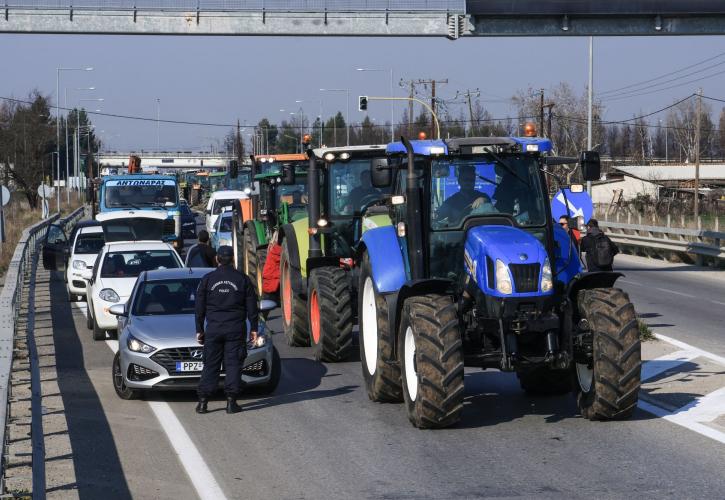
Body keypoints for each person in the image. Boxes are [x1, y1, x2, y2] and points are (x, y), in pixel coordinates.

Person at [195, 246, 258, 414]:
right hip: (235, 329)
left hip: (214, 328)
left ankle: (203, 402)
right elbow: (252, 306)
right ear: (233, 260)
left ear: (217, 259)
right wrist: (254, 328)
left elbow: (199, 307)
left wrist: (199, 329)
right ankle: (231, 402)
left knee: (210, 365)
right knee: (233, 365)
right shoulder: (242, 279)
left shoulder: (207, 279)